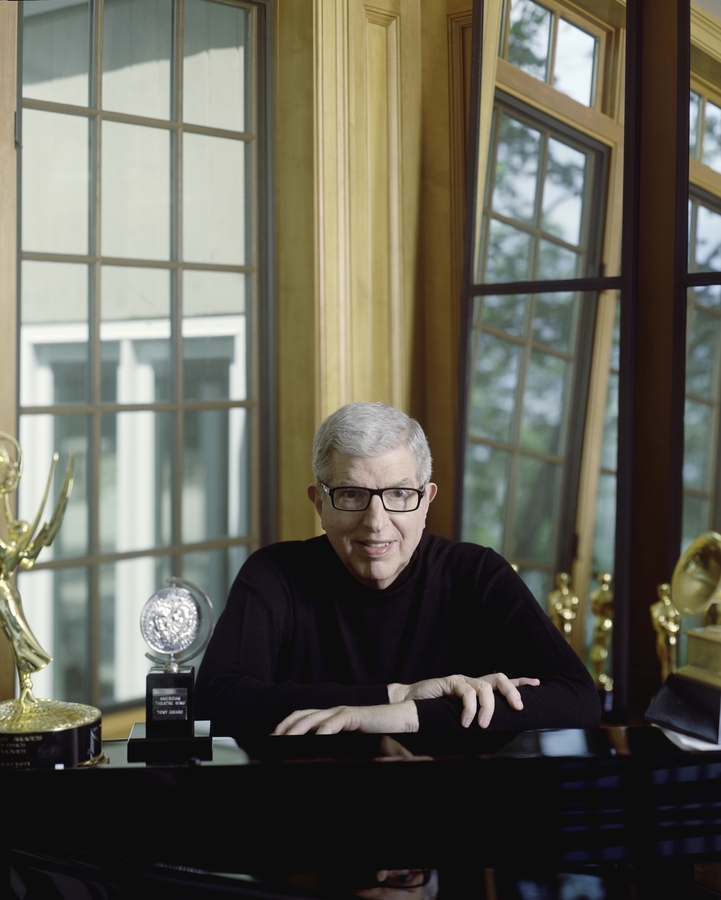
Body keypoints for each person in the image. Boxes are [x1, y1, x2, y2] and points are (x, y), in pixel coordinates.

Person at [196, 402, 601, 738]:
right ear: (320, 504)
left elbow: (578, 700)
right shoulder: (274, 574)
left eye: (399, 494)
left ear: (426, 501)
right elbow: (216, 702)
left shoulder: (477, 574)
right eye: (351, 494)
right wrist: (397, 694)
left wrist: (405, 715)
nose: (376, 522)